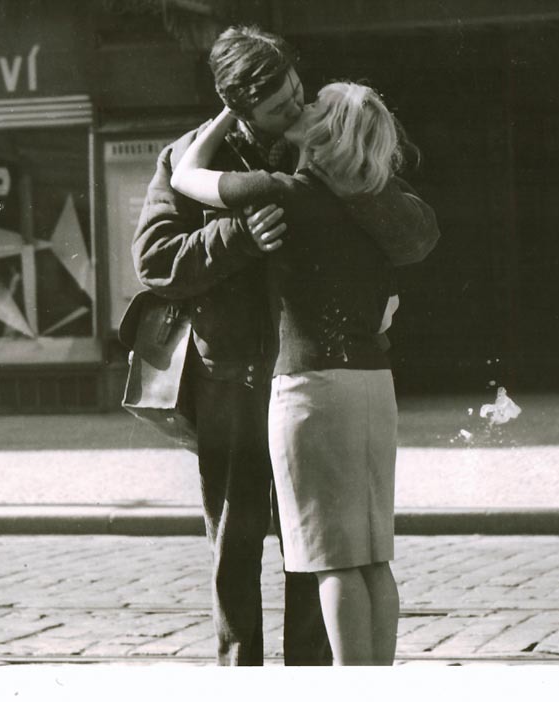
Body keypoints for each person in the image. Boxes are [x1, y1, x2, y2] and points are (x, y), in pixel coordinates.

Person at [132, 25, 438, 666]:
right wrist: (238, 236)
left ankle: (311, 677)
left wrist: (349, 187)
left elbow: (413, 234)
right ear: (237, 106)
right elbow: (156, 261)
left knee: (319, 548)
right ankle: (243, 680)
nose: (297, 106)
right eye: (279, 105)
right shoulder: (187, 153)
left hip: (305, 380)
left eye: (298, 90)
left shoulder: (327, 140)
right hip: (235, 378)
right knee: (236, 543)